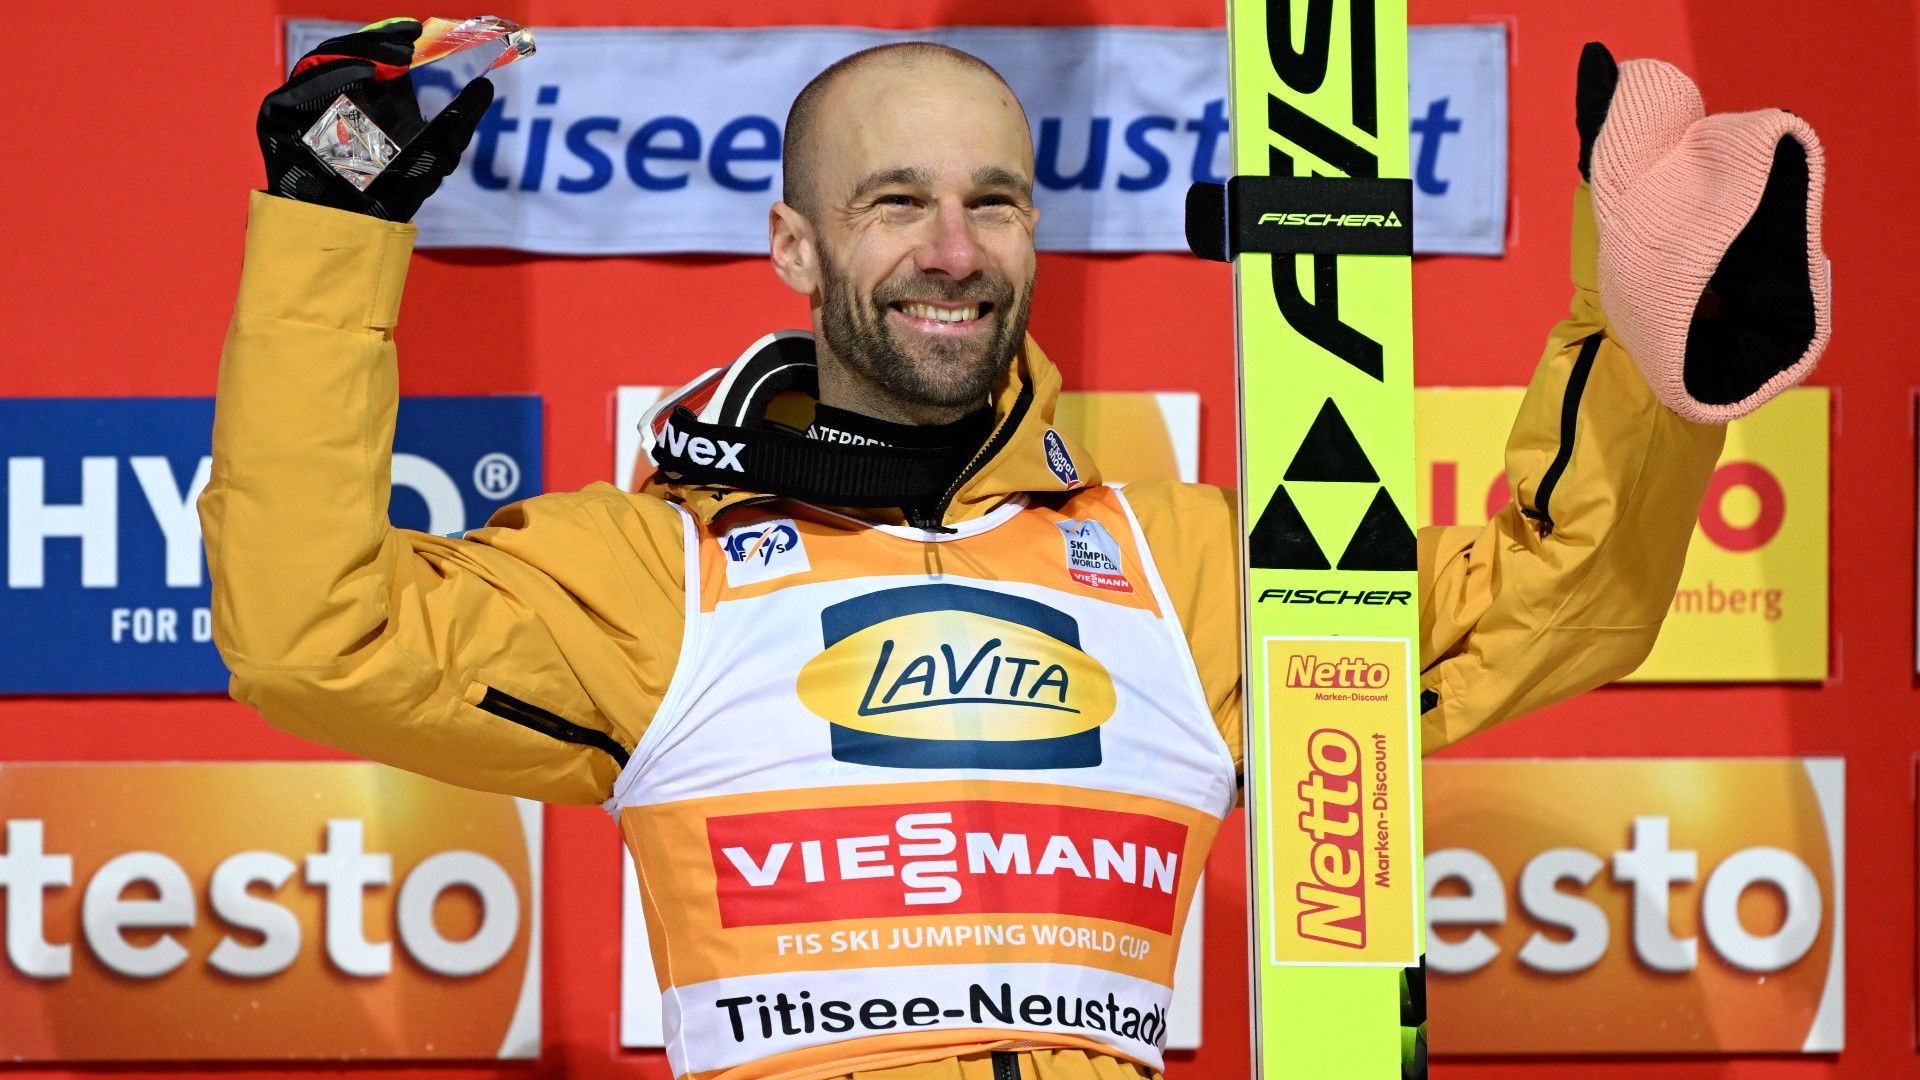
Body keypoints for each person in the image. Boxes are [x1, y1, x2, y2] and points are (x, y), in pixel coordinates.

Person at [205, 21, 1827, 1080]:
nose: (955, 253)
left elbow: (1557, 606)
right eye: (893, 201)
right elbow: (311, 631)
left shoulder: (1183, 573)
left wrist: (1641, 342)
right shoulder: (651, 580)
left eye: (997, 202)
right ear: (793, 243)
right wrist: (331, 229)